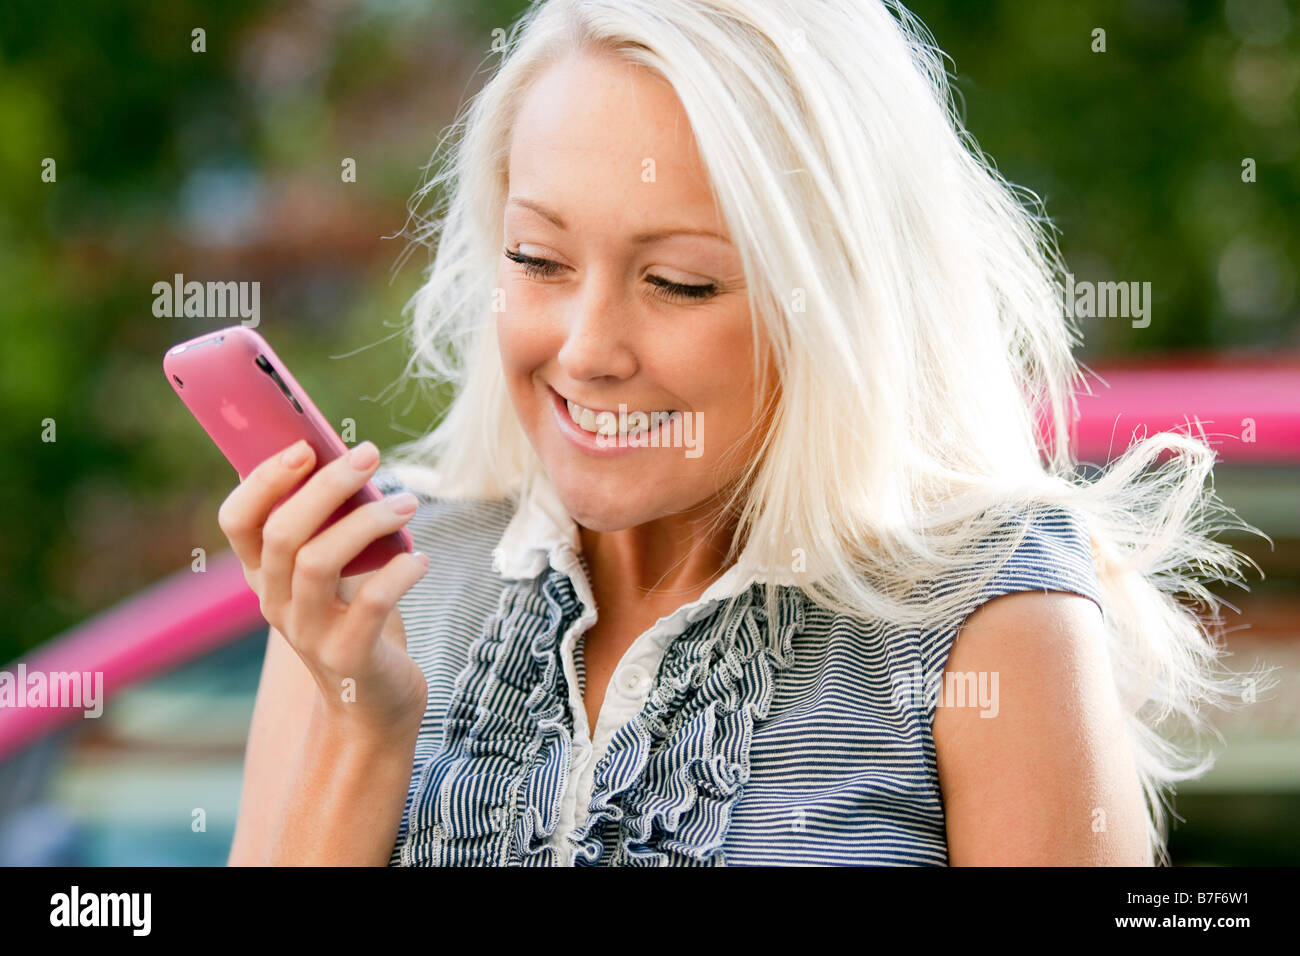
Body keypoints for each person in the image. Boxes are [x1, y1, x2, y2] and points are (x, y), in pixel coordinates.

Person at [224, 0, 1262, 866]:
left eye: (677, 280)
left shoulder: (993, 622)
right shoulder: (380, 589)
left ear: (841, 301)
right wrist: (365, 733)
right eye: (539, 259)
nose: (586, 350)